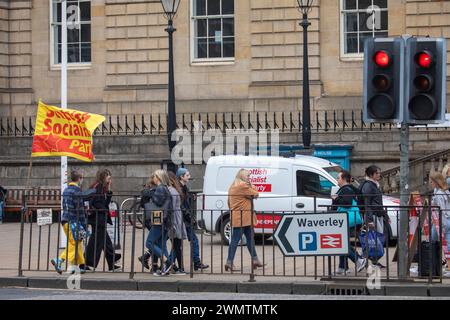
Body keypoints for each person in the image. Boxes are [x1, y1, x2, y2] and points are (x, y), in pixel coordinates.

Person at [225, 169, 264, 272]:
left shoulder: (233, 186)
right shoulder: (242, 186)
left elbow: (228, 202)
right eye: (248, 176)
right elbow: (256, 194)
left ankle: (255, 260)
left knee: (249, 239)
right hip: (244, 217)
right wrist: (252, 186)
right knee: (235, 240)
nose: (249, 178)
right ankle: (229, 262)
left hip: (240, 217)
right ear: (242, 176)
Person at [51, 170, 88, 274]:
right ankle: (59, 260)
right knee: (75, 244)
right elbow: (80, 210)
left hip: (65, 220)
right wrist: (84, 225)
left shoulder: (66, 190)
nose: (82, 180)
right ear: (79, 179)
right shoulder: (77, 192)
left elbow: (64, 205)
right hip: (74, 221)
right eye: (82, 178)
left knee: (75, 242)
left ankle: (79, 265)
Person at [85, 169, 121, 272]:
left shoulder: (100, 187)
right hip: (98, 218)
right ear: (102, 177)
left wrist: (109, 190)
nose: (109, 178)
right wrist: (105, 210)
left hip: (98, 218)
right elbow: (97, 203)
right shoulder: (99, 187)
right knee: (96, 241)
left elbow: (105, 202)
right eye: (107, 176)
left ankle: (111, 261)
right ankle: (86, 262)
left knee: (105, 241)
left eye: (109, 175)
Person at [332, 170, 367, 275]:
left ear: (343, 179)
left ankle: (358, 260)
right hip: (345, 219)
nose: (337, 180)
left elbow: (346, 204)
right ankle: (342, 267)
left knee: (342, 243)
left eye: (338, 178)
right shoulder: (347, 189)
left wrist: (336, 198)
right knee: (342, 242)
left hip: (346, 219)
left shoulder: (346, 190)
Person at [177, 168, 209, 271]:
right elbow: (181, 206)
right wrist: (190, 217)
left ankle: (196, 263)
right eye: (187, 175)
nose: (189, 176)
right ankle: (196, 263)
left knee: (183, 242)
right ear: (181, 177)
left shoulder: (184, 187)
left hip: (184, 219)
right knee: (190, 241)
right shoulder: (180, 189)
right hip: (183, 220)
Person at [145, 169, 173, 276]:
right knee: (162, 245)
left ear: (159, 178)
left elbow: (158, 202)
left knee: (149, 243)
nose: (153, 178)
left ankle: (167, 261)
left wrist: (150, 194)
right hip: (165, 221)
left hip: (159, 220)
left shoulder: (160, 188)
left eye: (155, 176)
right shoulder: (165, 188)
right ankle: (165, 269)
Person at [361, 165, 389, 268]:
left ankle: (372, 261)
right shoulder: (368, 186)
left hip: (377, 214)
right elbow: (367, 203)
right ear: (371, 174)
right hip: (372, 215)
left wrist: (385, 216)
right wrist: (369, 220)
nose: (379, 175)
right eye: (377, 173)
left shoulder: (374, 184)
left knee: (376, 239)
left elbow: (378, 202)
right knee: (374, 239)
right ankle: (366, 260)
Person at [166, 171, 187, 275]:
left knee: (176, 246)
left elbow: (172, 209)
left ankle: (169, 266)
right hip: (177, 220)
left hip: (175, 221)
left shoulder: (171, 191)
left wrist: (171, 224)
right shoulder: (174, 190)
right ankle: (178, 267)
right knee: (177, 246)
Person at [429, 171, 450, 277]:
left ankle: (434, 266)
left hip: (441, 221)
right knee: (447, 244)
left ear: (436, 182)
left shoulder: (439, 194)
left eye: (432, 181)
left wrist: (440, 221)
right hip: (447, 220)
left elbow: (441, 209)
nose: (430, 183)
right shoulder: (445, 191)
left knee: (433, 243)